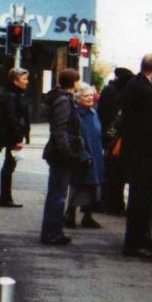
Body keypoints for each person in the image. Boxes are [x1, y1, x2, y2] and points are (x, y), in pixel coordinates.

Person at [120, 55, 152, 259]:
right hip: (144, 155)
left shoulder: (133, 85)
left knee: (139, 200)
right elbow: (150, 123)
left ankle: (140, 239)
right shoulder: (144, 89)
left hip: (135, 152)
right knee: (140, 202)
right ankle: (135, 243)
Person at [40, 69, 83, 245]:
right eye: (78, 80)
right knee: (57, 195)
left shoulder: (60, 97)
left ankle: (52, 231)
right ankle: (52, 233)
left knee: (56, 193)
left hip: (58, 152)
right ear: (73, 82)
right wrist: (68, 153)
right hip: (60, 154)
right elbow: (60, 129)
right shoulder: (64, 100)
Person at [65, 84, 104, 230]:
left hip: (96, 154)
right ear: (78, 98)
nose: (89, 98)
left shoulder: (94, 113)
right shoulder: (76, 115)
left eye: (91, 95)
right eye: (86, 96)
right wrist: (83, 154)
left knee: (93, 187)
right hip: (82, 155)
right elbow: (74, 137)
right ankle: (70, 216)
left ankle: (88, 217)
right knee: (78, 185)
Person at [0, 67, 31, 208]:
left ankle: (6, 197)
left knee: (9, 166)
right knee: (8, 167)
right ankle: (5, 198)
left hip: (11, 135)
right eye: (24, 79)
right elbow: (12, 119)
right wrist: (17, 139)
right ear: (15, 80)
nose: (27, 82)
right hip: (11, 136)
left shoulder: (15, 94)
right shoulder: (12, 96)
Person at [97, 67, 134, 215]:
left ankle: (110, 201)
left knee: (112, 172)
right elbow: (115, 120)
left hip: (109, 136)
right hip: (114, 138)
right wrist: (113, 138)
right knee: (115, 173)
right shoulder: (116, 94)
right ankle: (114, 203)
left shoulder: (109, 90)